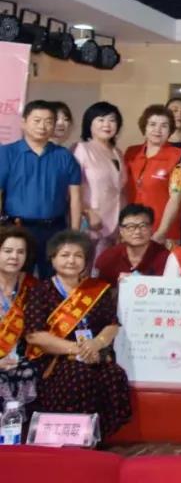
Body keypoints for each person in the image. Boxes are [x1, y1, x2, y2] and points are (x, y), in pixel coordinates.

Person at [24, 230, 131, 437]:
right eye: (65, 255)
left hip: (94, 353)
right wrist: (77, 349)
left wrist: (96, 343)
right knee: (78, 375)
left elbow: (112, 325)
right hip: (56, 358)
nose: (71, 261)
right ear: (52, 258)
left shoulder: (97, 289)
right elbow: (34, 335)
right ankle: (71, 438)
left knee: (113, 374)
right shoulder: (40, 291)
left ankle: (97, 437)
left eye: (78, 255)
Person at [0, 101, 81, 278]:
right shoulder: (6, 153)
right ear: (23, 122)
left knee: (53, 279)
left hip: (55, 229)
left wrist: (74, 234)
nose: (42, 126)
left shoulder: (64, 156)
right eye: (37, 121)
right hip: (17, 228)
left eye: (48, 121)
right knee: (17, 278)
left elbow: (75, 197)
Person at [123, 105, 181, 249]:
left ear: (170, 130)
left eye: (164, 126)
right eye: (152, 124)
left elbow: (176, 197)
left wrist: (161, 233)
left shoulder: (178, 156)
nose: (157, 130)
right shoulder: (131, 153)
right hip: (132, 229)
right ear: (144, 127)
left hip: (164, 232)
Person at [72, 102, 127, 262]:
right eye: (101, 120)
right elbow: (73, 188)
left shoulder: (117, 152)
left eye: (112, 120)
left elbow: (119, 189)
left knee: (106, 268)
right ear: (89, 123)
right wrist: (88, 212)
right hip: (91, 221)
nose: (107, 125)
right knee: (85, 267)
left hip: (115, 223)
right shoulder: (82, 149)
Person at [0, 228, 38, 405]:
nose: (14, 257)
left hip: (21, 357)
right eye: (8, 251)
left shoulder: (32, 286)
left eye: (20, 252)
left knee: (29, 372)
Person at [93, 204, 170, 286]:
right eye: (130, 227)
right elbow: (99, 289)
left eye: (143, 226)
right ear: (121, 231)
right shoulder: (108, 258)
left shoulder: (166, 258)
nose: (137, 232)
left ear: (151, 228)